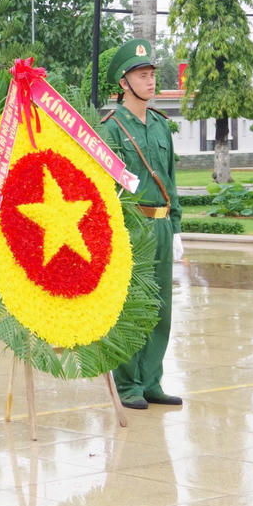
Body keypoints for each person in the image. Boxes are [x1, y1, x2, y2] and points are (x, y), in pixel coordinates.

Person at [102, 38, 184, 410]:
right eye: (142, 75)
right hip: (131, 227)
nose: (151, 82)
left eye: (152, 74)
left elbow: (170, 179)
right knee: (130, 305)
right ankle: (128, 384)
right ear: (124, 82)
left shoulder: (161, 126)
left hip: (162, 227)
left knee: (159, 306)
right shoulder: (112, 129)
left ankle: (152, 381)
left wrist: (177, 228)